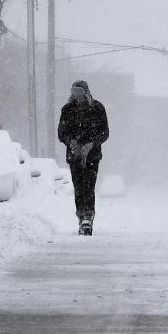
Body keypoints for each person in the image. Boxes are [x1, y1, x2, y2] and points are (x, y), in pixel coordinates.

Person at [57, 80, 109, 235]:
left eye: (80, 92)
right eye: (74, 92)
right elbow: (61, 132)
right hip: (74, 156)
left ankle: (88, 217)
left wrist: (92, 144)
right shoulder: (67, 109)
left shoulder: (98, 108)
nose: (77, 96)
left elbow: (105, 132)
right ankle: (81, 216)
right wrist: (71, 142)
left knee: (89, 187)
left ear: (86, 92)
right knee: (79, 188)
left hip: (92, 156)